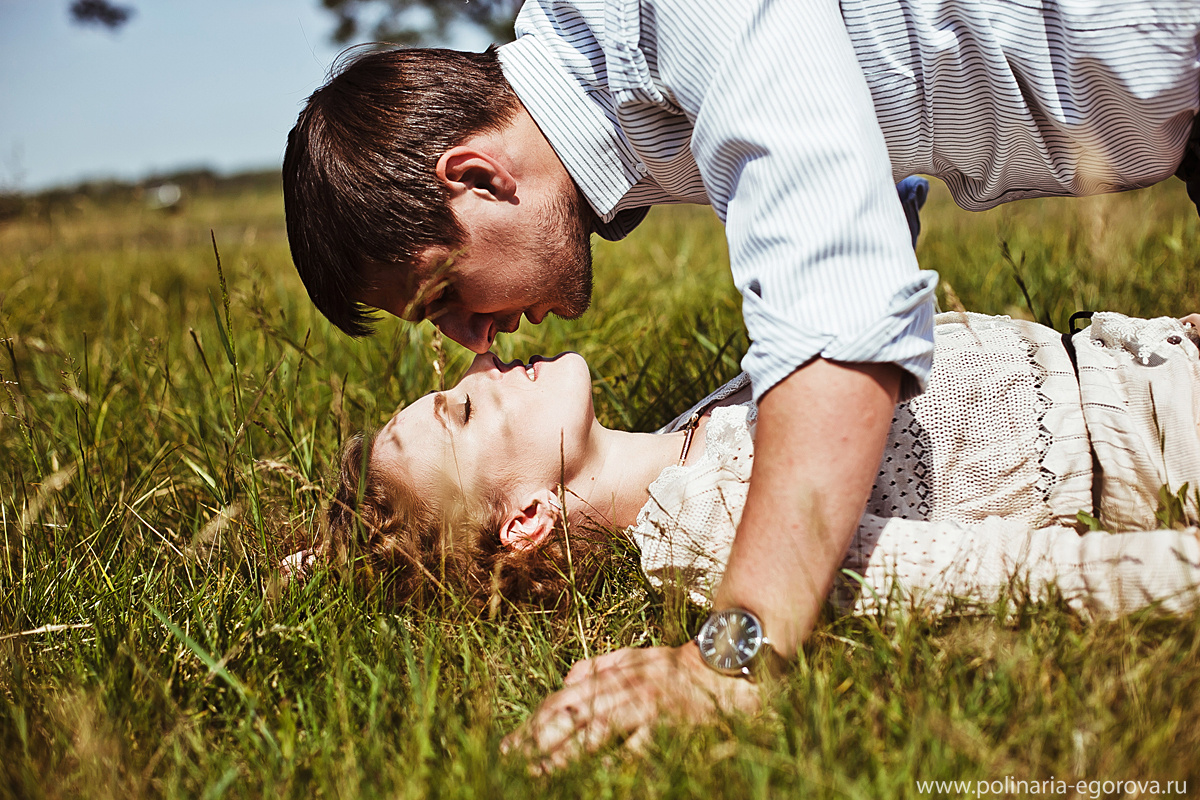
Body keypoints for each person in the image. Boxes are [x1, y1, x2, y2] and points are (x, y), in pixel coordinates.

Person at [282, 0, 1200, 759]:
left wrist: (727, 659)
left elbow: (842, 318)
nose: (472, 341)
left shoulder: (672, 17)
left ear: (476, 177)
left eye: (443, 296)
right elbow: (849, 166)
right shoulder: (632, 90)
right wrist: (363, 546)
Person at [304, 310, 1200, 758]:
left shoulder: (682, 438)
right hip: (1162, 438)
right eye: (461, 411)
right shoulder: (718, 533)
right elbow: (990, 574)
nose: (483, 362)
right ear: (527, 519)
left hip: (1157, 351)